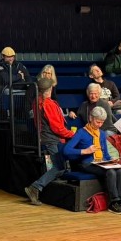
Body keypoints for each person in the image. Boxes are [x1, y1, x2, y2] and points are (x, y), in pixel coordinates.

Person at [63, 106, 121, 214]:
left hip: (101, 162)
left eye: (102, 122)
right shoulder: (81, 132)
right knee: (111, 172)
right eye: (97, 122)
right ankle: (113, 202)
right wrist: (85, 151)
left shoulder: (102, 134)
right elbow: (66, 150)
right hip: (87, 163)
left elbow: (106, 154)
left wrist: (112, 161)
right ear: (91, 118)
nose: (99, 125)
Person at [24, 78, 75, 207]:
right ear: (50, 89)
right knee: (59, 167)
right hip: (52, 139)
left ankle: (40, 188)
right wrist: (72, 134)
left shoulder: (36, 102)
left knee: (61, 167)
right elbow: (57, 128)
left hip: (45, 137)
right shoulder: (48, 104)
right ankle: (35, 187)